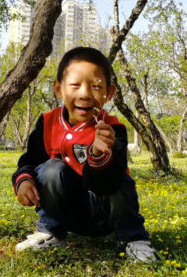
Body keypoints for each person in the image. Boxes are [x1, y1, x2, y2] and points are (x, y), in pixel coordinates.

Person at [11, 47, 156, 263]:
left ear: (109, 93)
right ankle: (51, 231)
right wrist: (23, 181)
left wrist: (98, 153)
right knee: (51, 169)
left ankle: (133, 238)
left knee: (121, 179)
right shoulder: (47, 123)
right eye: (75, 85)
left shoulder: (113, 129)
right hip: (68, 214)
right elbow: (30, 161)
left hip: (104, 216)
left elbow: (110, 185)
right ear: (58, 89)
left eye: (96, 86)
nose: (85, 94)